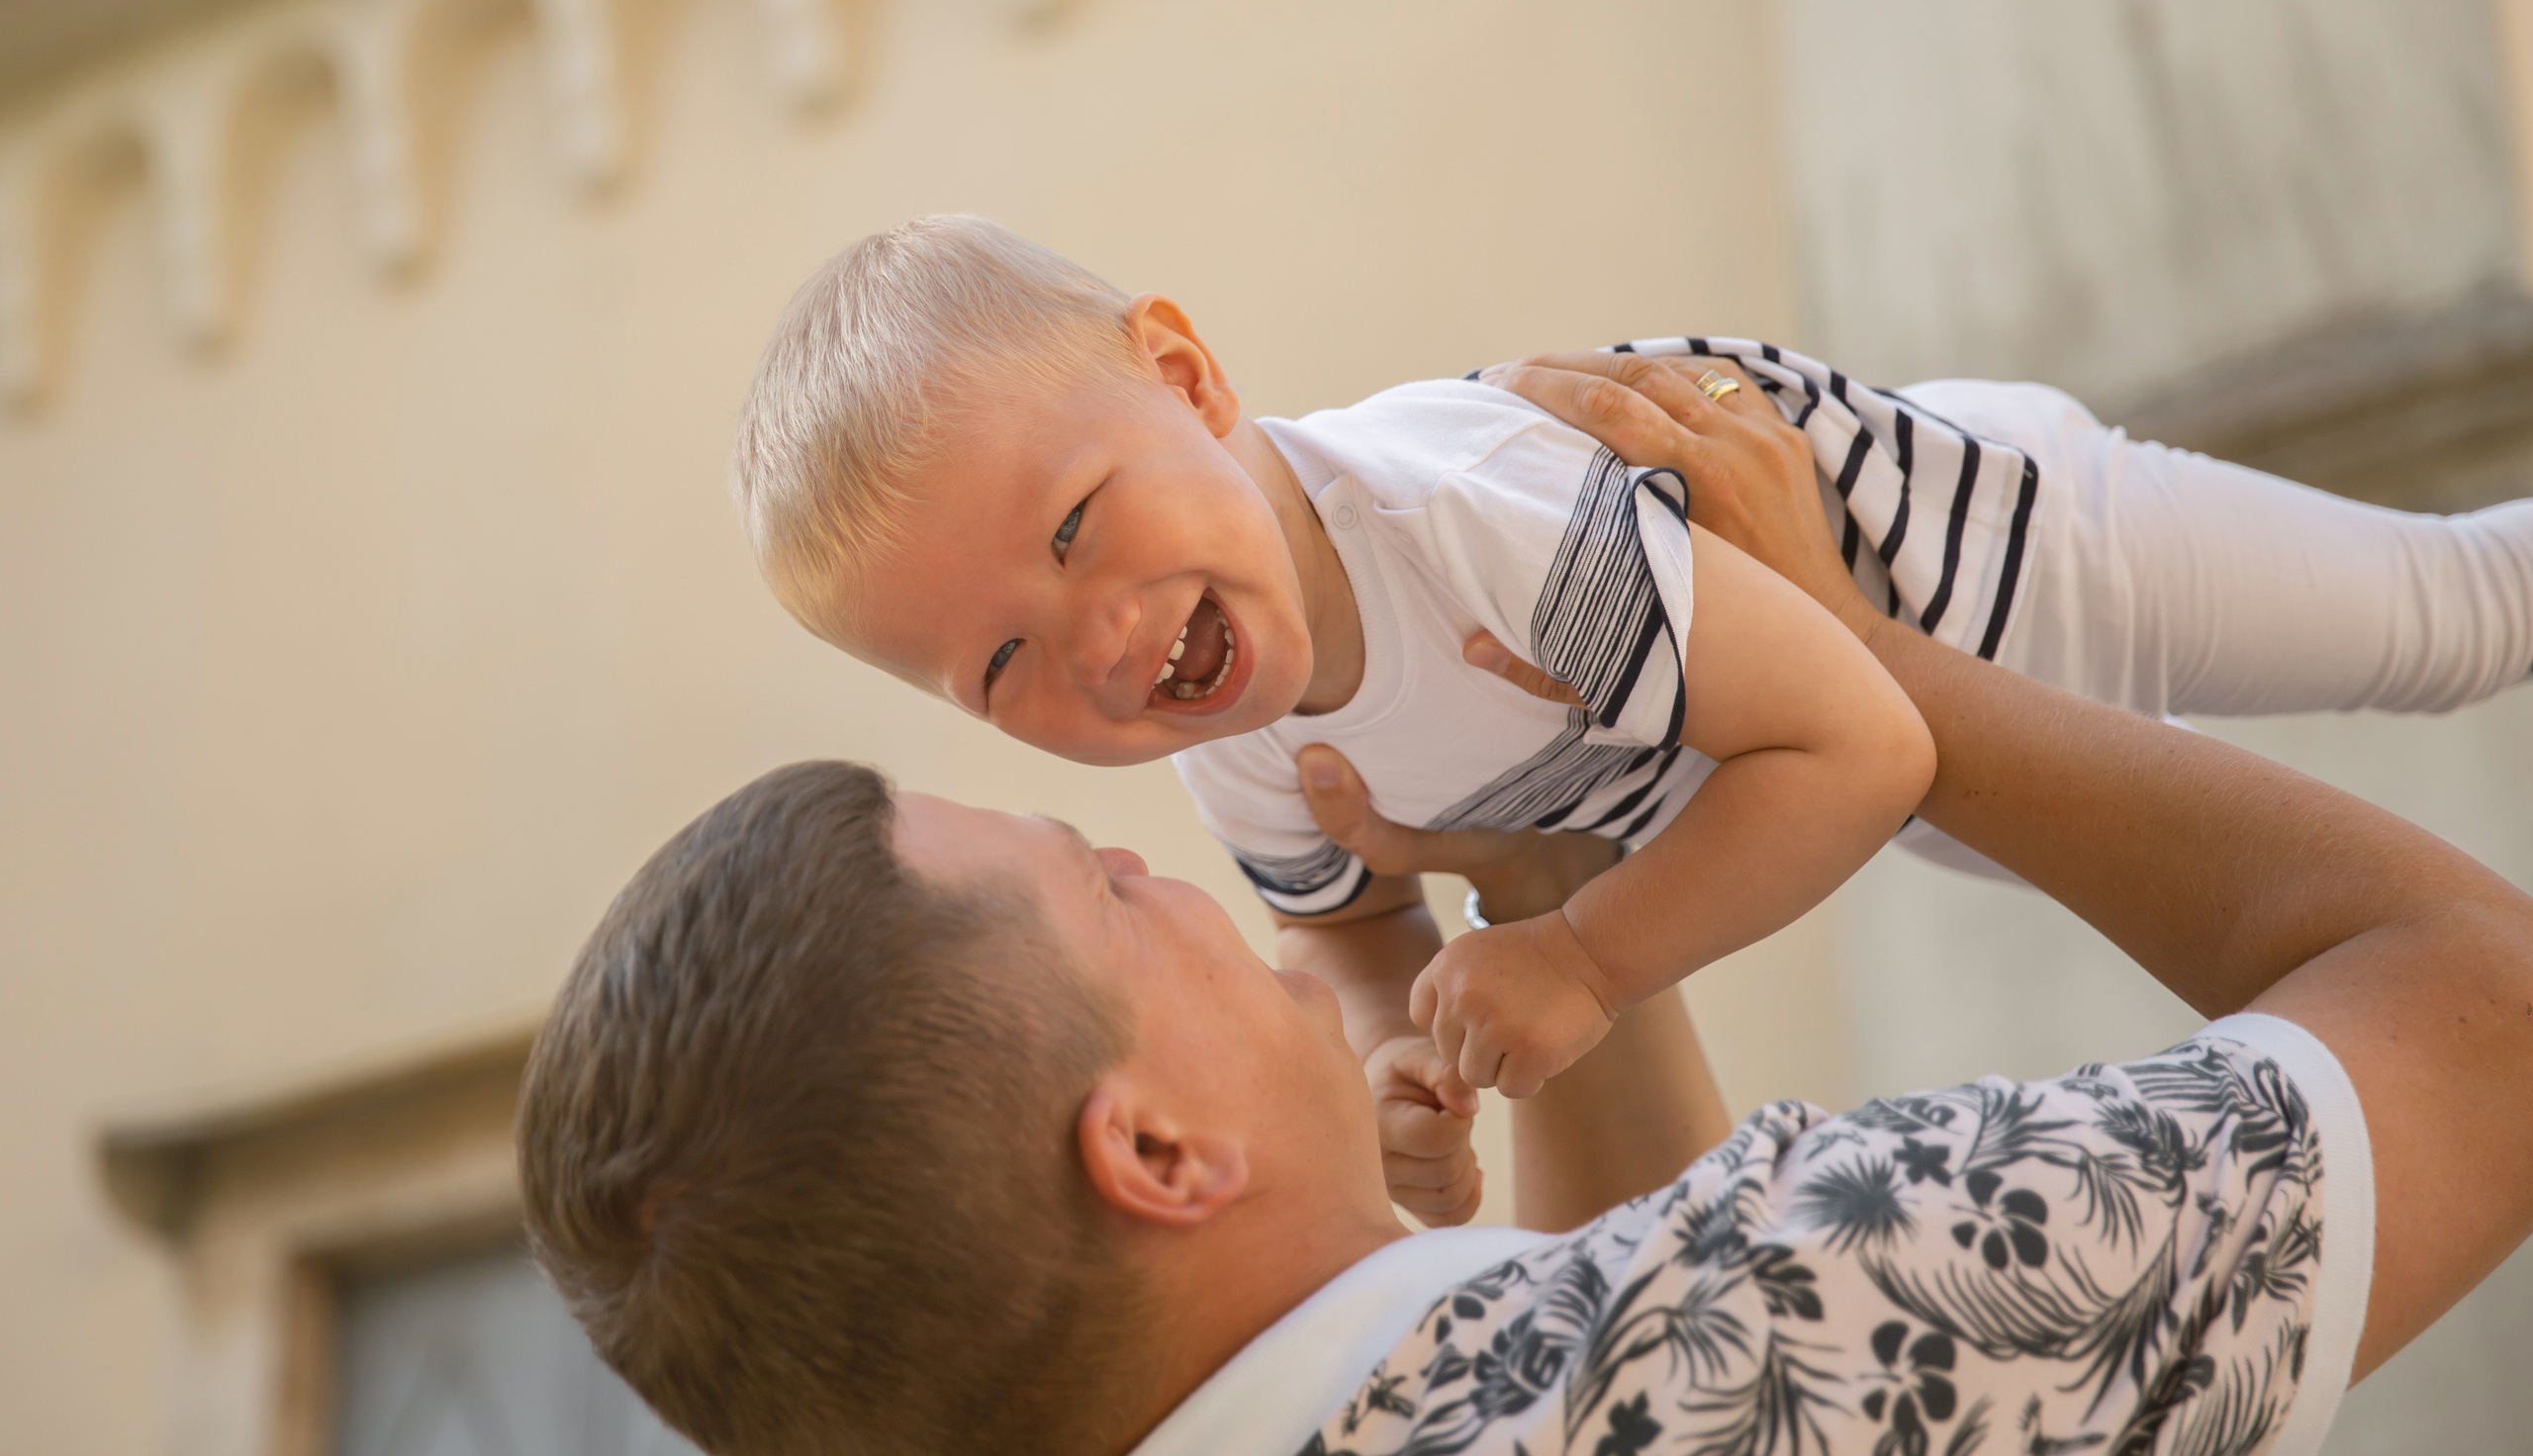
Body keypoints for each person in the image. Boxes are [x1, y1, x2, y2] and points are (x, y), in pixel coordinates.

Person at [516, 363, 2533, 1455]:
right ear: (1146, 1146)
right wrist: (1843, 651)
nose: (1206, 901)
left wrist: (1530, 858)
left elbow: (1571, 1299)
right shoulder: (1794, 1311)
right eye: (1111, 887)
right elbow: (2486, 1022)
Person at [727, 215, 2533, 1225]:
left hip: (1993, 562)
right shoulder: (1239, 744)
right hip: (1891, 779)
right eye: (1002, 667)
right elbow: (1355, 935)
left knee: (2447, 619)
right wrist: (1392, 1078)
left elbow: (1860, 738)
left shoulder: (1463, 522)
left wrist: (1582, 960)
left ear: (1190, 380)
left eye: (1075, 528)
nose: (1102, 641)